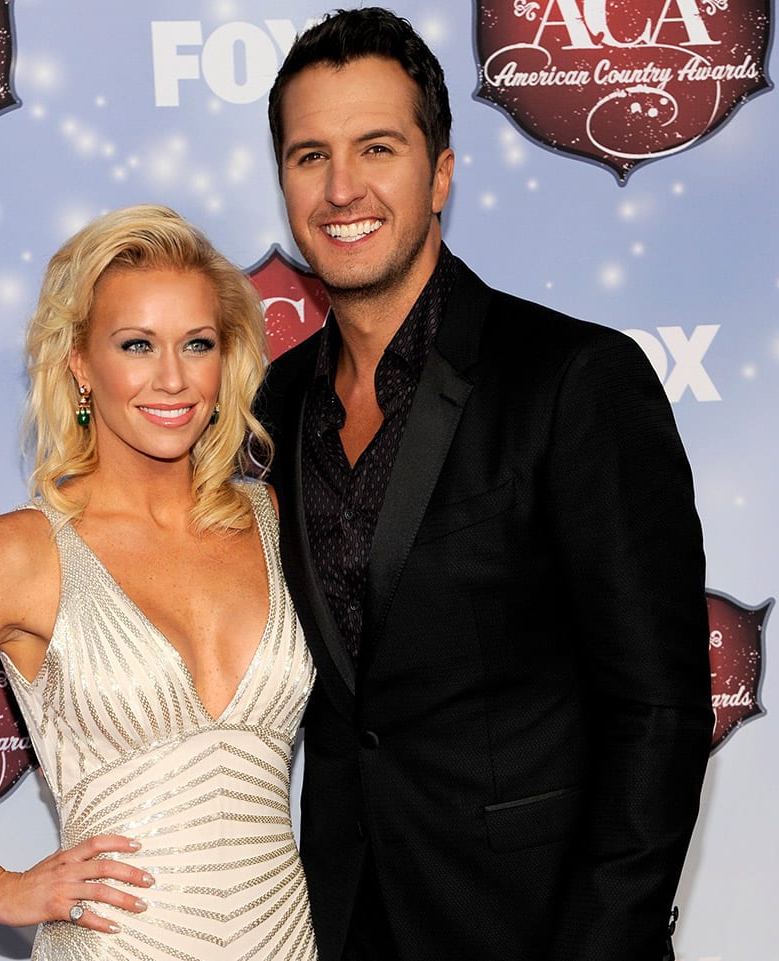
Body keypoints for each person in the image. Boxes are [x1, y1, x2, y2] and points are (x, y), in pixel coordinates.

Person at [255, 8, 713, 961]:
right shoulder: (276, 400)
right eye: (310, 155)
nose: (343, 188)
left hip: (541, 930)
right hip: (347, 925)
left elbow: (658, 710)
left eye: (376, 147)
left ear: (442, 172)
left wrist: (602, 941)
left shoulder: (574, 379)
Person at [0, 205, 317, 961]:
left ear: (228, 357)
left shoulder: (273, 516)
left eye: (198, 344)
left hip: (281, 938)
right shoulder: (24, 551)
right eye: (137, 344)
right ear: (81, 363)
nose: (173, 377)